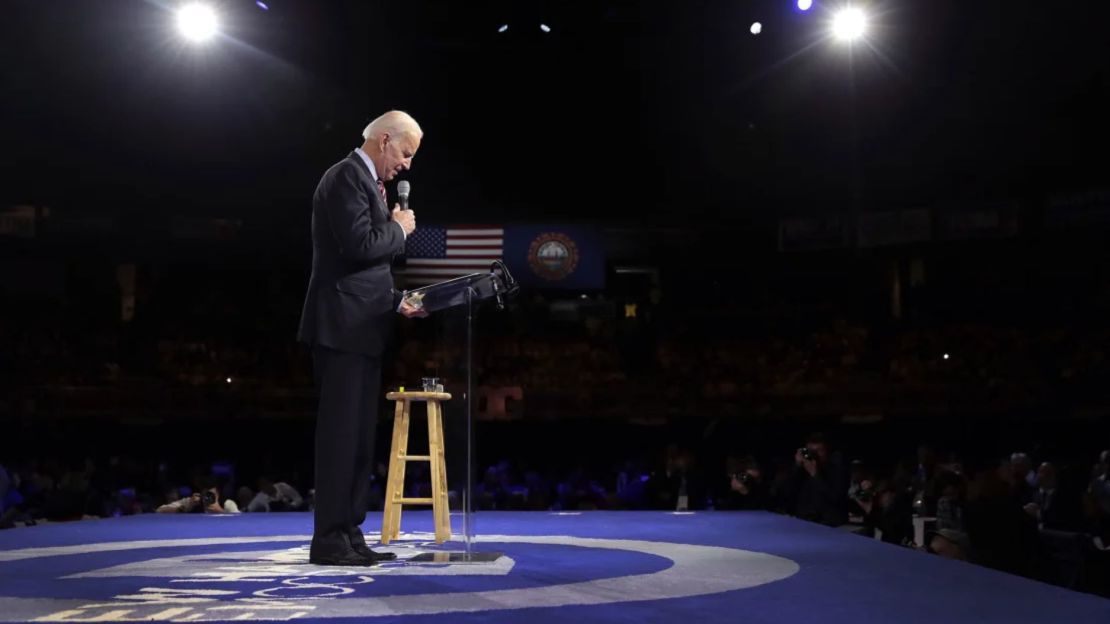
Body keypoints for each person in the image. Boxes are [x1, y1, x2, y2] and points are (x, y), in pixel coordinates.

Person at [297, 111, 428, 566]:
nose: (407, 165)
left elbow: (362, 268)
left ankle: (349, 533)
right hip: (341, 328)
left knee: (357, 440)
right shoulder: (345, 177)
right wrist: (399, 229)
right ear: (385, 140)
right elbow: (358, 246)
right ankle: (330, 538)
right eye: (406, 154)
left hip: (362, 325)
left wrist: (395, 300)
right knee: (339, 436)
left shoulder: (370, 185)